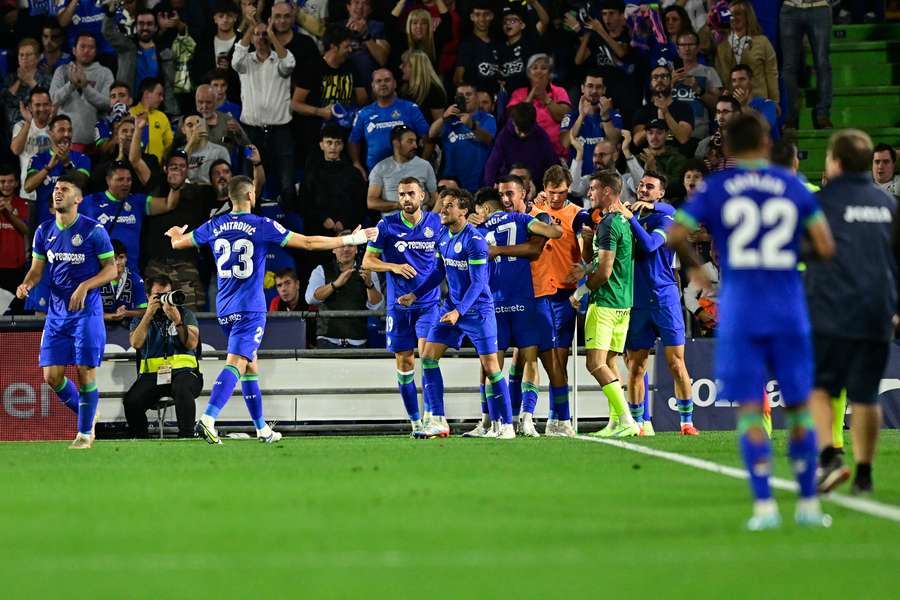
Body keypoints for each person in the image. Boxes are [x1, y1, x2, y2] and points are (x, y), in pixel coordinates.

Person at [668, 112, 835, 530]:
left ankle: (764, 506)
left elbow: (676, 234)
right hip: (788, 307)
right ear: (765, 143)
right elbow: (825, 246)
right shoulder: (793, 186)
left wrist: (698, 270)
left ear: (726, 149)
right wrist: (790, 257)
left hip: (741, 309)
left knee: (748, 410)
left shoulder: (717, 187)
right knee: (798, 408)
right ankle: (809, 504)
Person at [165, 175, 377, 444]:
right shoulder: (261, 225)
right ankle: (208, 418)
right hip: (250, 309)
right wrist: (350, 239)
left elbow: (179, 243)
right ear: (251, 196)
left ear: (231, 197)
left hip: (224, 308)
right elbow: (309, 243)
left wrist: (175, 236)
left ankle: (262, 428)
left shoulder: (215, 224)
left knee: (250, 366)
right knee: (237, 362)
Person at [807, 130, 897, 496]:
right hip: (877, 311)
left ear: (837, 162)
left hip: (831, 310)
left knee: (819, 388)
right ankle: (864, 474)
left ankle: (829, 456)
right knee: (865, 395)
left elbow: (804, 251)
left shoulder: (821, 204)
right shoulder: (889, 205)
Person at [398, 188, 514, 439]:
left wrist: (459, 312)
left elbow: (479, 283)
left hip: (477, 311)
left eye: (449, 205)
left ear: (464, 211)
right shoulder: (443, 236)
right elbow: (438, 272)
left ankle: (506, 426)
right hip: (451, 308)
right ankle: (438, 420)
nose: (442, 209)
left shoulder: (475, 242)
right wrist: (415, 294)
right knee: (428, 356)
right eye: (443, 204)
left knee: (492, 368)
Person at [15, 174, 117, 449]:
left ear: (78, 198)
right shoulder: (43, 231)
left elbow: (111, 269)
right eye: (56, 189)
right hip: (57, 314)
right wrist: (27, 284)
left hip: (86, 312)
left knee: (85, 371)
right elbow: (37, 270)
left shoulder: (93, 230)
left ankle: (85, 434)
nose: (58, 193)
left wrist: (85, 285)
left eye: (65, 189)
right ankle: (89, 412)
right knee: (52, 377)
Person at [471, 186, 562, 437]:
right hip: (523, 300)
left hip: (494, 303)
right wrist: (543, 219)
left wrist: (469, 223)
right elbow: (556, 231)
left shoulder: (478, 229)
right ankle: (528, 418)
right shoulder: (521, 219)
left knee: (491, 365)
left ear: (485, 209)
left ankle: (497, 423)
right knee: (531, 360)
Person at [614, 172, 699, 437]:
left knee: (676, 363)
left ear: (660, 193)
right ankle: (638, 424)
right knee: (636, 365)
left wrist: (631, 220)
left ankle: (686, 422)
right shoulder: (629, 215)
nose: (643, 189)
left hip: (664, 298)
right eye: (641, 185)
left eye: (650, 187)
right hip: (637, 300)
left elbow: (651, 245)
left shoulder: (665, 217)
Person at [362, 177, 442, 432]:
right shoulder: (386, 225)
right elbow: (368, 261)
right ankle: (415, 422)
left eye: (411, 194)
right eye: (402, 194)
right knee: (405, 362)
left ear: (422, 197)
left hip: (428, 303)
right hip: (398, 306)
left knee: (428, 355)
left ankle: (433, 416)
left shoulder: (436, 223)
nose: (406, 199)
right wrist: (392, 266)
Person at [573, 170, 640, 439]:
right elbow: (606, 263)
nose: (589, 194)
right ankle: (617, 422)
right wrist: (587, 254)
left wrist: (579, 293)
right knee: (611, 362)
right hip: (623, 303)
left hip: (606, 303)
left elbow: (605, 272)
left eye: (593, 188)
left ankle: (626, 419)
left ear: (608, 192)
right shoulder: (623, 222)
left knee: (595, 364)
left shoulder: (609, 224)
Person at [531, 166, 593, 434]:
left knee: (558, 358)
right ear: (544, 188)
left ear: (569, 188)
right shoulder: (533, 213)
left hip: (563, 295)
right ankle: (551, 417)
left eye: (562, 192)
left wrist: (586, 249)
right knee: (540, 358)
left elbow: (585, 255)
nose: (556, 198)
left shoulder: (577, 215)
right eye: (552, 192)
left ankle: (560, 418)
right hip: (535, 293)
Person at [125, 274, 202, 438]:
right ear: (148, 296)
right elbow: (136, 343)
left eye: (167, 294)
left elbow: (192, 344)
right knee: (131, 401)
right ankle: (140, 438)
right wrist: (148, 315)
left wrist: (178, 321)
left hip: (185, 373)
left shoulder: (184, 313)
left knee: (181, 388)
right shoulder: (140, 318)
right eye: (158, 296)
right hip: (152, 377)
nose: (163, 300)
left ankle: (187, 437)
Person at [232, 15, 296, 208]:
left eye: (265, 34)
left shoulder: (282, 59)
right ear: (251, 38)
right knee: (248, 184)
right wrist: (250, 28)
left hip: (281, 131)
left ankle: (291, 228)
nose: (261, 37)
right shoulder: (245, 62)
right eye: (257, 34)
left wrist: (270, 34)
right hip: (251, 131)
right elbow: (235, 60)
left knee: (287, 184)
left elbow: (289, 65)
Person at [81, 161, 183, 273]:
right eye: (120, 179)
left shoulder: (137, 201)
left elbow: (169, 205)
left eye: (128, 179)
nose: (125, 183)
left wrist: (175, 188)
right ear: (108, 180)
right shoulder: (91, 201)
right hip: (99, 272)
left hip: (130, 273)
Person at [306, 233, 384, 348]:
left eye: (351, 245)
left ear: (356, 249)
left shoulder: (368, 271)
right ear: (333, 249)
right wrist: (335, 284)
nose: (346, 249)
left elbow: (378, 307)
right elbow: (311, 298)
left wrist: (369, 285)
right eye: (342, 245)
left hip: (357, 342)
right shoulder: (321, 270)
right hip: (327, 341)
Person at [348, 68, 429, 175]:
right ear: (373, 86)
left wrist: (423, 163)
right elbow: (353, 141)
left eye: (387, 80)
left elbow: (428, 138)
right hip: (376, 175)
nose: (383, 84)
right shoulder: (363, 113)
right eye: (378, 81)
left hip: (408, 174)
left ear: (395, 84)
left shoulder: (410, 108)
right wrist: (356, 163)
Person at [49, 33, 114, 151]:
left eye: (91, 47)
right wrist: (71, 85)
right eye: (82, 47)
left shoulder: (105, 73)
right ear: (74, 50)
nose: (86, 51)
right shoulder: (62, 71)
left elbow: (108, 103)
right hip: (64, 142)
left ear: (96, 51)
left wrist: (85, 86)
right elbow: (53, 99)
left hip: (94, 143)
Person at [24, 114, 92, 226]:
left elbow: (81, 184)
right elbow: (28, 187)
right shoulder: (38, 159)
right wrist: (48, 168)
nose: (66, 134)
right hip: (47, 225)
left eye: (69, 130)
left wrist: (66, 163)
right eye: (61, 130)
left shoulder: (82, 158)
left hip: (74, 225)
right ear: (50, 133)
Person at [428, 82, 496, 192]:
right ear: (455, 98)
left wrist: (472, 126)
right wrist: (444, 117)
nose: (465, 98)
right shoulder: (449, 120)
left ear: (477, 97)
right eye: (461, 95)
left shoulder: (486, 118)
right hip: (451, 183)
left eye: (468, 94)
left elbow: (488, 139)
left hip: (477, 182)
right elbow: (431, 133)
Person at [300, 124, 367, 236]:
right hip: (318, 232)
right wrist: (322, 219)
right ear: (321, 145)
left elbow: (361, 204)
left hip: (349, 231)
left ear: (342, 146)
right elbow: (304, 203)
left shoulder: (354, 173)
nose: (333, 147)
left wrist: (345, 222)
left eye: (337, 143)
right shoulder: (311, 174)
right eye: (329, 142)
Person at [714, 0, 779, 106]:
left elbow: (771, 73)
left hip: (758, 102)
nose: (733, 17)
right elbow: (702, 43)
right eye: (731, 14)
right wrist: (712, 23)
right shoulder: (721, 42)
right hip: (731, 103)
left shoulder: (762, 42)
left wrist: (774, 102)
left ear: (748, 16)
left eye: (738, 14)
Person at [780, 0, 833, 130]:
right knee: (789, 66)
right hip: (790, 8)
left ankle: (823, 115)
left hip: (819, 7)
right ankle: (790, 117)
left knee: (822, 63)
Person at [560, 71, 623, 177]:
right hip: (577, 180)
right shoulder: (571, 116)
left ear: (604, 90)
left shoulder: (613, 115)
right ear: (582, 88)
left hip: (605, 178)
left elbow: (615, 141)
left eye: (598, 87)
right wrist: (581, 116)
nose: (594, 91)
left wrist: (605, 117)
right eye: (590, 86)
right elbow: (565, 143)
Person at [508, 54, 571, 158]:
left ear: (550, 73)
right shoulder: (518, 93)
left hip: (556, 153)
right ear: (528, 73)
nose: (539, 72)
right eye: (535, 68)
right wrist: (531, 96)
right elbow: (514, 120)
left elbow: (564, 117)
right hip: (526, 152)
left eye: (544, 68)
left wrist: (545, 97)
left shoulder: (560, 91)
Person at [367, 125, 438, 216]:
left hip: (420, 223)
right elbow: (371, 202)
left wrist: (426, 207)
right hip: (392, 225)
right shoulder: (380, 168)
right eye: (410, 141)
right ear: (396, 143)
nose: (415, 146)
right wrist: (398, 205)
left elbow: (435, 198)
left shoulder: (425, 166)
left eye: (415, 141)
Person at [483, 102, 558, 187]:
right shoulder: (504, 136)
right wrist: (491, 185)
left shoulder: (541, 136)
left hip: (536, 186)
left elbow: (552, 164)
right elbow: (493, 164)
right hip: (510, 184)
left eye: (526, 131)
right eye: (520, 130)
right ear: (514, 122)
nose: (522, 135)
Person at [672, 31, 723, 141]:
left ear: (698, 48)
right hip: (672, 132)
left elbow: (717, 104)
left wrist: (697, 89)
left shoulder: (708, 72)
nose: (687, 49)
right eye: (683, 45)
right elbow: (657, 102)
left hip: (698, 133)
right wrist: (670, 85)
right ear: (677, 50)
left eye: (691, 44)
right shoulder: (670, 74)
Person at [10, 87, 53, 202]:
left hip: (52, 195)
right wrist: (29, 122)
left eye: (45, 104)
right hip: (28, 194)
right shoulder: (21, 125)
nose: (42, 108)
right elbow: (15, 150)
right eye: (37, 105)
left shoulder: (57, 127)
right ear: (30, 107)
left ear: (51, 105)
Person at [0, 164, 29, 313]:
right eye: (2, 181)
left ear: (17, 183)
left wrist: (9, 213)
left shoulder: (23, 204)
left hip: (16, 269)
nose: (6, 185)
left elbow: (27, 230)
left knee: (15, 314)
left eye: (10, 181)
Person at [452, 2, 499, 90]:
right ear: (471, 17)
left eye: (486, 14)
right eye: (477, 15)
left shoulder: (498, 44)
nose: (482, 19)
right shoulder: (466, 45)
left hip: (495, 99)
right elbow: (457, 79)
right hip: (476, 98)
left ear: (492, 16)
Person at [100, 239, 148, 325]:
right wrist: (110, 316)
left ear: (126, 258)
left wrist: (126, 313)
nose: (118, 262)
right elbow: (88, 312)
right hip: (101, 326)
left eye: (121, 257)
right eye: (114, 258)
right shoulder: (97, 280)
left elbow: (144, 310)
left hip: (127, 327)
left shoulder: (135, 280)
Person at [129, 77, 175, 162]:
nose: (162, 99)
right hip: (135, 166)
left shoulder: (162, 117)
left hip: (156, 169)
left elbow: (169, 145)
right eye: (159, 94)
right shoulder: (130, 114)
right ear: (146, 94)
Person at [730, 65, 778, 138]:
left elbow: (764, 127)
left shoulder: (767, 103)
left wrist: (743, 107)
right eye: (734, 80)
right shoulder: (729, 106)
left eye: (742, 79)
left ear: (751, 81)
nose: (737, 84)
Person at [399, 49, 446, 123]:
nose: (400, 67)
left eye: (404, 64)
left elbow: (439, 125)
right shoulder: (404, 88)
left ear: (415, 68)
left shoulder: (434, 91)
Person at [180, 115, 230, 185]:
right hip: (187, 191)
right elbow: (177, 176)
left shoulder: (220, 151)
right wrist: (191, 144)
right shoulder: (179, 152)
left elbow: (225, 179)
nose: (195, 129)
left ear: (205, 128)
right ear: (183, 130)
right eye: (190, 125)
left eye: (199, 125)